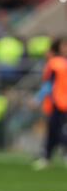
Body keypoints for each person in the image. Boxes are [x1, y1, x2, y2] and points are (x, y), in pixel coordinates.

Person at [31, 38, 67, 170]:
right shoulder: (57, 63)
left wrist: (37, 99)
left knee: (56, 130)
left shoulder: (55, 63)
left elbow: (48, 84)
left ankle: (47, 156)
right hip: (58, 102)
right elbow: (50, 84)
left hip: (59, 102)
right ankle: (46, 156)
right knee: (54, 130)